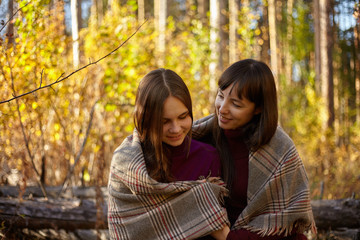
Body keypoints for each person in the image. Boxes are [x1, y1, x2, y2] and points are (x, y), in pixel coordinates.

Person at [193, 59, 317, 240]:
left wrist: (230, 237)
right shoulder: (202, 134)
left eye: (236, 104)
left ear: (258, 108)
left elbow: (287, 221)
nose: (222, 109)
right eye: (221, 95)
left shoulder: (280, 148)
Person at [107, 68, 230, 240]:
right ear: (146, 119)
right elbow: (124, 228)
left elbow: (214, 224)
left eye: (183, 117)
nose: (175, 129)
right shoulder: (127, 163)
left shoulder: (207, 156)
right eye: (164, 121)